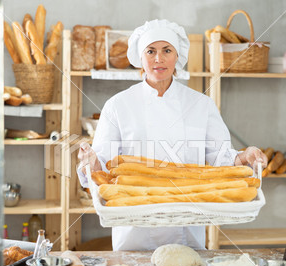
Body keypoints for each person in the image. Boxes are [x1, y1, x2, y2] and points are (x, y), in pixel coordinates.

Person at [77, 19, 267, 251]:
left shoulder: (201, 104)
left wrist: (245, 156)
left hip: (187, 229)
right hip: (133, 231)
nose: (159, 59)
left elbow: (222, 161)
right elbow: (103, 170)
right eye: (151, 51)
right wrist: (92, 161)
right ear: (140, 57)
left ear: (178, 56)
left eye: (167, 50)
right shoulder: (118, 105)